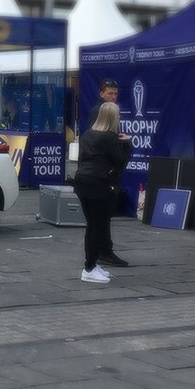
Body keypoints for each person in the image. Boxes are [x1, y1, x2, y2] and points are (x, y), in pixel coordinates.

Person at [73, 101, 131, 283]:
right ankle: (89, 268)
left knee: (91, 225)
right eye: (118, 115)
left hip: (82, 181)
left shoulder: (88, 134)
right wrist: (128, 145)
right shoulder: (109, 138)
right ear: (113, 117)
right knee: (99, 226)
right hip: (99, 184)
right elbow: (121, 162)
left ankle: (91, 264)